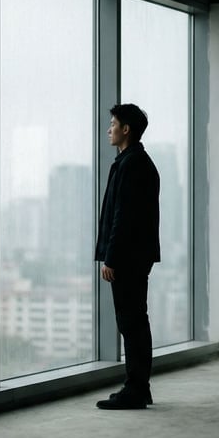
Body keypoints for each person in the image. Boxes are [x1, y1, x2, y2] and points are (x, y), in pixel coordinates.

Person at [94, 103, 160, 410]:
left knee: (131, 322)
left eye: (113, 124)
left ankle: (135, 390)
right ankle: (139, 388)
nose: (109, 129)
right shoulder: (134, 162)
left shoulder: (133, 164)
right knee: (135, 321)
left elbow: (124, 217)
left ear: (126, 130)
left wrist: (111, 257)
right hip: (135, 256)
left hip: (127, 258)